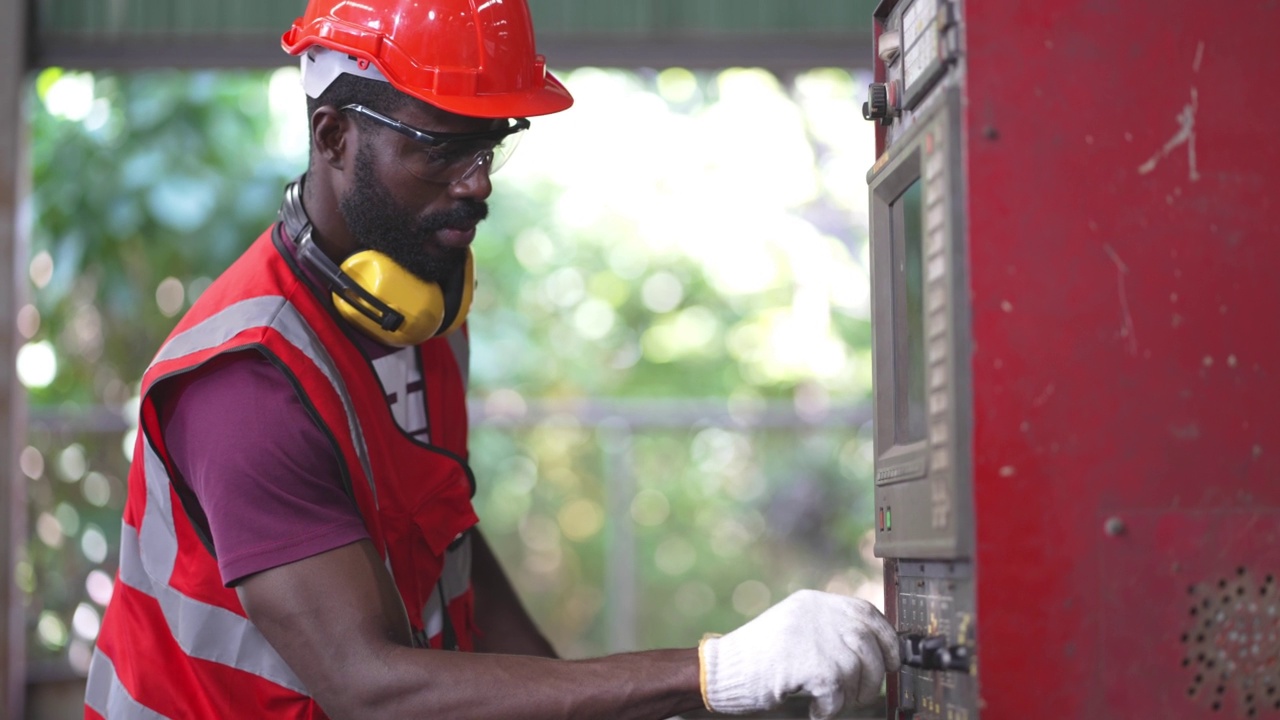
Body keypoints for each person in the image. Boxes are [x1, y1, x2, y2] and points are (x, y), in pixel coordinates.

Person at [85, 0, 900, 718]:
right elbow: (370, 688)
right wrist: (713, 674)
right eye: (442, 149)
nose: (477, 185)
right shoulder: (245, 381)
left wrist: (616, 706)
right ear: (333, 136)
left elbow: (451, 545)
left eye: (491, 146)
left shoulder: (423, 317)